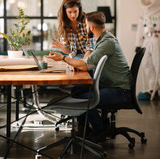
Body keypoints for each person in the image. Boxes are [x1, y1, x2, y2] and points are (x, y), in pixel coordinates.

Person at [46, 11, 133, 143]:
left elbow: (86, 66)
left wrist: (63, 58)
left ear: (91, 28)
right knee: (78, 91)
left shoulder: (106, 43)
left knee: (82, 98)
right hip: (113, 85)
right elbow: (88, 64)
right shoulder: (104, 39)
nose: (85, 28)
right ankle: (84, 129)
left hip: (120, 91)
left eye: (86, 26)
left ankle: (100, 129)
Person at [135, 0, 160, 100]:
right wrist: (138, 45)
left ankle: (158, 89)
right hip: (147, 41)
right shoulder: (144, 13)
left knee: (158, 64)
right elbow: (140, 29)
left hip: (157, 40)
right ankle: (152, 88)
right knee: (147, 64)